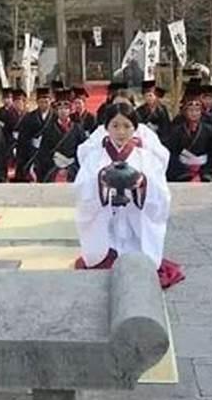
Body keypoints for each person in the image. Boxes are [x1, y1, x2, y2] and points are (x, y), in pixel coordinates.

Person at [73, 103, 184, 289]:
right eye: (115, 126)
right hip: (106, 223)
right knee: (104, 258)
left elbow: (162, 196)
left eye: (126, 126)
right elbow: (81, 188)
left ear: (135, 128)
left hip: (136, 223)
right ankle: (107, 252)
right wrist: (101, 182)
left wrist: (142, 185)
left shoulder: (145, 158)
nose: (121, 132)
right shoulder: (95, 157)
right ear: (106, 128)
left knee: (139, 261)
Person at [78, 88, 170, 170]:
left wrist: (142, 145)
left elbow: (162, 156)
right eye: (116, 106)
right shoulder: (102, 130)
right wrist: (102, 145)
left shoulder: (143, 131)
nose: (120, 110)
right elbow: (83, 153)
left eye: (125, 106)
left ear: (133, 108)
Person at [166, 90, 212, 182]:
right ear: (185, 112)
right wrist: (185, 171)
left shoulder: (210, 131)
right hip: (182, 171)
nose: (194, 113)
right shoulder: (177, 132)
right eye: (191, 110)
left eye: (197, 110)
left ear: (201, 113)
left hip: (206, 170)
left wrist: (202, 173)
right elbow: (171, 154)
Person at [36, 89, 88, 182]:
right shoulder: (49, 129)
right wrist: (56, 164)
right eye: (60, 108)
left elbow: (83, 151)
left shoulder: (77, 128)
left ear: (70, 110)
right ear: (56, 111)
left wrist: (71, 164)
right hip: (53, 168)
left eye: (66, 108)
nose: (63, 111)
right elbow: (43, 153)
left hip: (73, 168)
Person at [15, 87, 54, 182]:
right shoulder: (29, 117)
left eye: (46, 101)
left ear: (50, 101)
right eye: (41, 102)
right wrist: (32, 143)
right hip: (32, 151)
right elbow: (23, 137)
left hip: (50, 151)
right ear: (37, 102)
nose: (44, 104)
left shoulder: (55, 116)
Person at [136, 80, 171, 145]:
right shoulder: (139, 111)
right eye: (146, 96)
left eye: (151, 95)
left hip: (160, 139)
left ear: (155, 96)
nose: (149, 98)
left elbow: (166, 127)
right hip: (145, 139)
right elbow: (138, 127)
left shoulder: (162, 109)